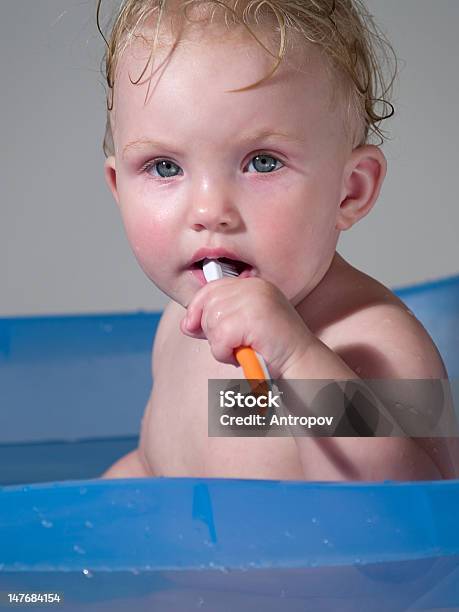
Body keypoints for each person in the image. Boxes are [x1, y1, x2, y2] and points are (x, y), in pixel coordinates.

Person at [97, 0, 458, 480]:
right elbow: (152, 467)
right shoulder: (177, 331)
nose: (209, 212)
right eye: (165, 167)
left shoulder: (375, 342)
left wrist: (297, 357)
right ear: (120, 190)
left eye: (263, 162)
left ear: (350, 190)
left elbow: (417, 504)